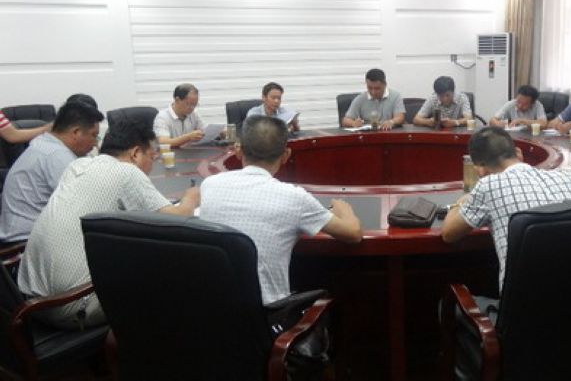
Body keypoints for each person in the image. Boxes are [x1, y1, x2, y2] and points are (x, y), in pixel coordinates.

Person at [17, 120, 200, 329]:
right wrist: (192, 197)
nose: (152, 164)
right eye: (152, 156)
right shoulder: (126, 172)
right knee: (175, 272)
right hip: (71, 307)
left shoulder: (77, 165)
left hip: (31, 302)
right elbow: (178, 219)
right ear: (135, 153)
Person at [440, 127, 571, 381]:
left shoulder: (487, 185)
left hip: (523, 323)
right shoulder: (566, 178)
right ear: (518, 153)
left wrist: (462, 201)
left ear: (479, 169)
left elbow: (449, 233)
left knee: (448, 305)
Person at [200, 116, 361, 304]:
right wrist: (344, 209)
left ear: (238, 150)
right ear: (286, 155)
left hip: (211, 309)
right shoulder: (294, 197)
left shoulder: (210, 185)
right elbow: (353, 234)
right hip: (267, 315)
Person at [0, 101, 104, 244]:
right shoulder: (57, 156)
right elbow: (89, 206)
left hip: (28, 237)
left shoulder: (44, 143)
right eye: (94, 135)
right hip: (24, 244)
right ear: (76, 132)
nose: (95, 143)